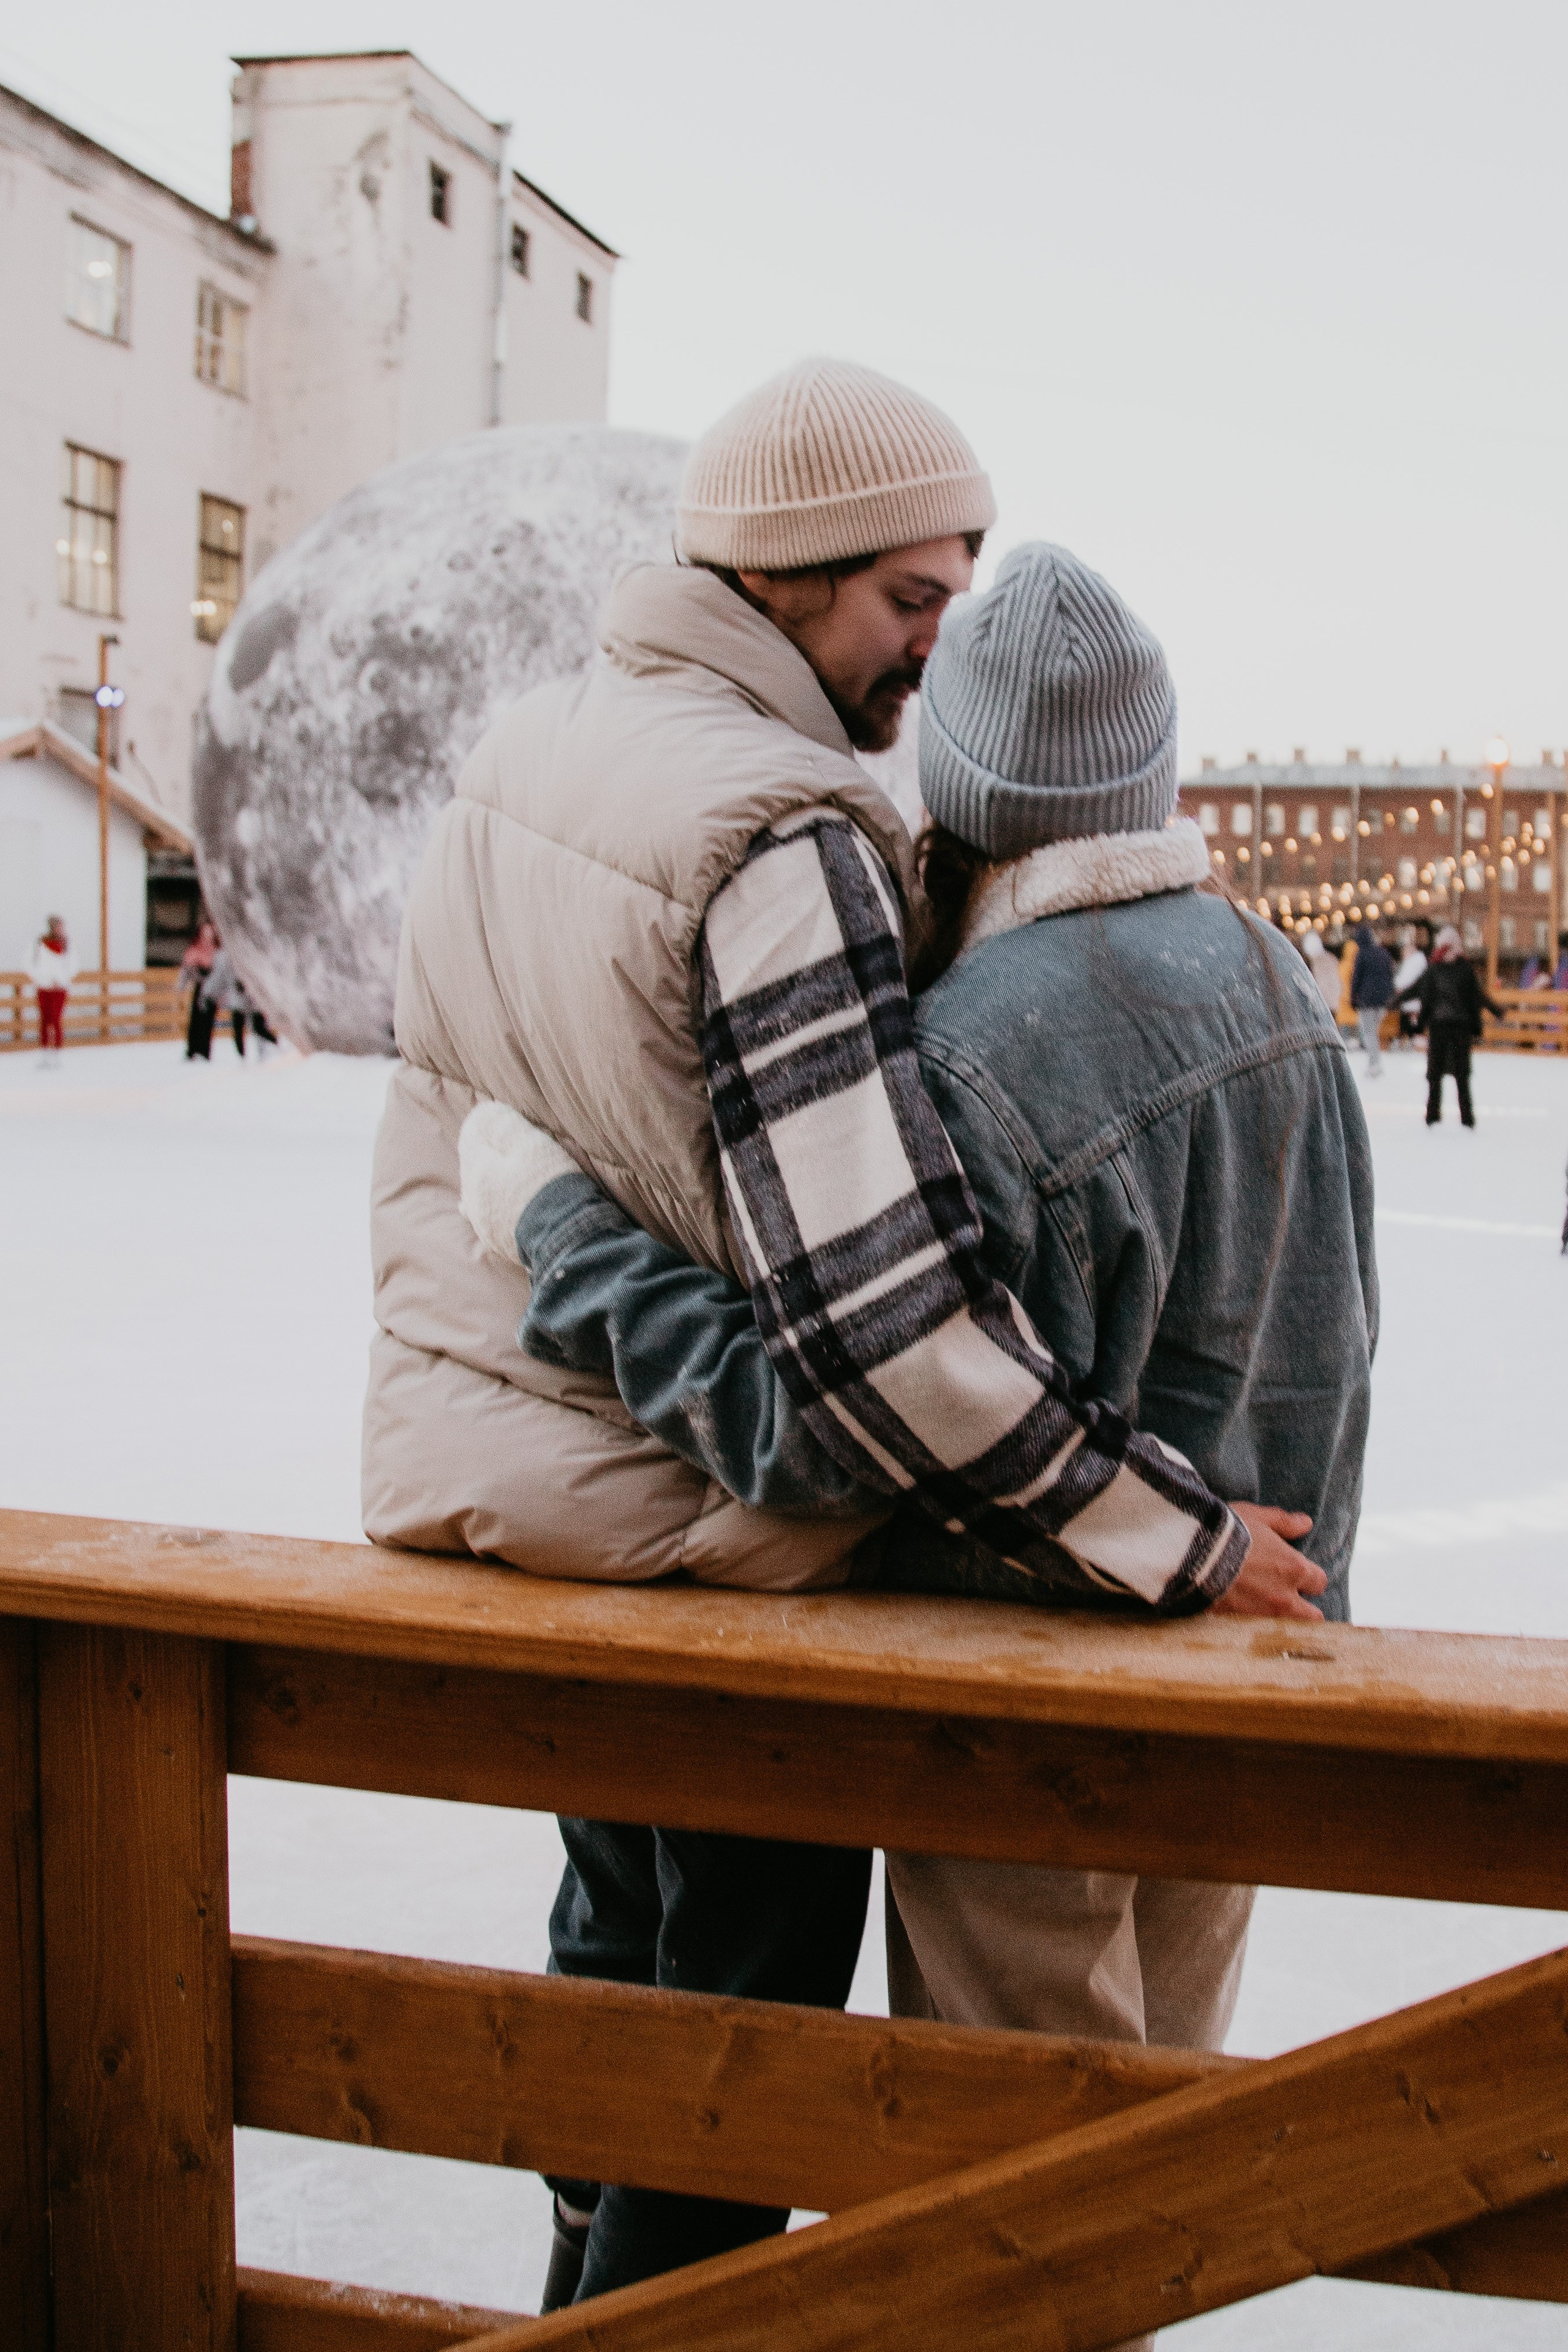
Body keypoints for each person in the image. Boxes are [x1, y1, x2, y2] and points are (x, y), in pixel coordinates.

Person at [364, 362, 1322, 2312]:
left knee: (611, 1997)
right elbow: (888, 1331)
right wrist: (1175, 1535)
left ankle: (576, 2283)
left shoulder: (525, 749)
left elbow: (455, 1126)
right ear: (787, 574)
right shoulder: (784, 826)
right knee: (736, 2084)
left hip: (514, 1502)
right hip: (718, 1534)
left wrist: (535, 1234)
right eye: (908, 595)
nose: (934, 643)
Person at [1396, 924, 1504, 1127]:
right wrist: (1496, 1010)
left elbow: (1417, 989)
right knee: (1462, 1074)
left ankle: (1432, 1115)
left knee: (1435, 1072)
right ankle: (1467, 1118)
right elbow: (1478, 996)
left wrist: (1396, 1000)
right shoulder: (1464, 969)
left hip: (1439, 1026)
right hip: (1461, 1028)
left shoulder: (1435, 968)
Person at [29, 915, 77, 1065]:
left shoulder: (66, 944)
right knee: (45, 1020)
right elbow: (38, 963)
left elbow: (70, 965)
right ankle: (44, 1053)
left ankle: (57, 1054)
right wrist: (43, 979)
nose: (61, 929)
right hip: (44, 987)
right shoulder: (42, 942)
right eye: (58, 926)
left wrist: (61, 979)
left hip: (59, 988)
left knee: (55, 1019)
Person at [1349, 921, 1395, 1075]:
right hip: (1382, 1000)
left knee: (1369, 1033)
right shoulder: (1383, 953)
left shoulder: (1362, 955)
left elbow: (1356, 978)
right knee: (1372, 1032)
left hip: (1367, 999)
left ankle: (1374, 1063)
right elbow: (1390, 975)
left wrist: (1353, 998)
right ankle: (1374, 1062)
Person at [179, 921, 220, 1060]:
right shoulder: (195, 950)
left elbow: (222, 973)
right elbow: (186, 970)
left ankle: (204, 1051)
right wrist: (181, 986)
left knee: (208, 1020)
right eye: (205, 932)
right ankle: (192, 1050)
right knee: (196, 1018)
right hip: (200, 987)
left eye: (210, 932)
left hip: (213, 990)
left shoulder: (217, 952)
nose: (208, 935)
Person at [1393, 926, 1427, 1043]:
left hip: (1411, 996)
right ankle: (1410, 1039)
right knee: (1409, 1018)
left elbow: (1408, 979)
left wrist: (1399, 987)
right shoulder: (1412, 961)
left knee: (1412, 1018)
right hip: (1409, 997)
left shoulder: (1416, 961)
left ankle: (1412, 1039)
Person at [1299, 925, 1341, 1016]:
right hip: (1335, 1001)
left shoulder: (1314, 962)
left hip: (1324, 1002)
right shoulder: (1331, 958)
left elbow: (1319, 983)